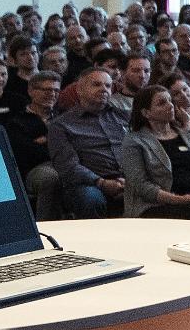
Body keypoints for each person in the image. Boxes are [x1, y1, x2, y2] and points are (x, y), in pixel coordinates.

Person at [49, 66, 134, 218]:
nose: (104, 89)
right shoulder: (61, 125)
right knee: (90, 198)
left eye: (108, 86)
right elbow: (68, 166)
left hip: (130, 178)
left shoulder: (124, 117)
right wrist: (101, 183)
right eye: (96, 84)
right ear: (79, 90)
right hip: (89, 184)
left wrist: (133, 180)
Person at [119, 84, 190, 218]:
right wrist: (179, 199)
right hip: (155, 205)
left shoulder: (189, 135)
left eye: (170, 100)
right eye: (162, 103)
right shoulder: (134, 141)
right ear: (146, 113)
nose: (170, 105)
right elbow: (141, 186)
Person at [5, 69, 63, 217]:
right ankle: (47, 227)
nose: (52, 94)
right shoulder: (17, 122)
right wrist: (57, 143)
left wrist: (46, 140)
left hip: (67, 163)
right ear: (31, 91)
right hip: (35, 170)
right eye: (47, 89)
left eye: (56, 90)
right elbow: (27, 154)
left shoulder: (64, 117)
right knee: (50, 178)